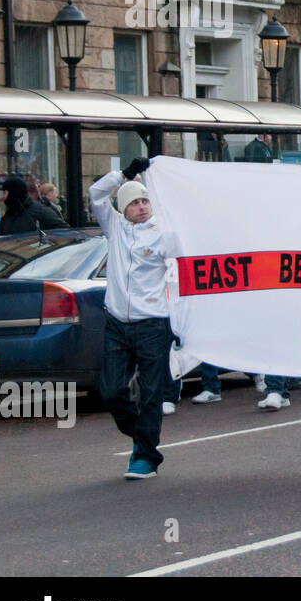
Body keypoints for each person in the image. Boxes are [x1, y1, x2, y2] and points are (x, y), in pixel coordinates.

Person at [89, 158, 174, 479]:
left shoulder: (163, 232)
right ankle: (142, 437)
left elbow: (181, 269)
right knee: (111, 391)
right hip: (117, 325)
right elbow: (96, 194)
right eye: (134, 203)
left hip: (152, 324)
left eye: (144, 201)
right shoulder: (114, 227)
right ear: (122, 209)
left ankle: (144, 459)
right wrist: (123, 175)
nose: (140, 207)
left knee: (152, 394)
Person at [0, 176, 67, 234]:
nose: (3, 197)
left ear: (13, 193)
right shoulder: (7, 217)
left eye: (5, 192)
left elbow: (64, 232)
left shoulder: (41, 211)